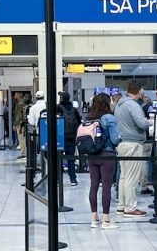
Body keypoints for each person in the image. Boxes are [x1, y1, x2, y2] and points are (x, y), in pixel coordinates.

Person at [114, 81, 150, 217]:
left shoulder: (120, 104)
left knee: (123, 176)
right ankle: (130, 207)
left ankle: (121, 206)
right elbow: (141, 124)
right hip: (133, 144)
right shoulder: (133, 105)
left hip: (122, 143)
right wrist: (149, 122)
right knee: (131, 178)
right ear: (139, 91)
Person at [86, 93, 121, 230]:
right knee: (106, 186)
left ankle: (94, 218)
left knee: (93, 185)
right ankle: (106, 219)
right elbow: (115, 140)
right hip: (106, 154)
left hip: (92, 154)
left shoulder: (89, 117)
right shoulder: (109, 118)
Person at [58, 92, 82, 186]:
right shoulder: (73, 109)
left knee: (58, 158)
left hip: (60, 138)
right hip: (71, 137)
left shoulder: (58, 108)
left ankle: (58, 179)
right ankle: (73, 179)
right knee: (71, 158)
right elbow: (79, 122)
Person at [14, 92, 29, 158]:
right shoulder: (23, 103)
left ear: (18, 95)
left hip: (20, 124)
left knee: (21, 138)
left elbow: (18, 115)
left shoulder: (20, 104)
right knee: (23, 138)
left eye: (15, 94)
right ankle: (25, 152)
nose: (14, 96)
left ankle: (23, 153)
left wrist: (15, 124)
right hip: (22, 123)